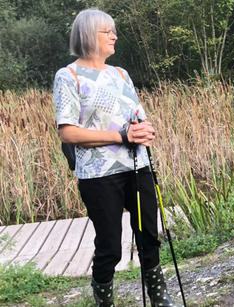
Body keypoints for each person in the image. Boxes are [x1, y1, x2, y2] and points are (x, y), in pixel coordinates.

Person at [53, 9, 182, 307]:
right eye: (107, 31)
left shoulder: (121, 74)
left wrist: (143, 129)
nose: (114, 36)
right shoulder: (69, 76)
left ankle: (159, 297)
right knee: (110, 246)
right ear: (88, 36)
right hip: (99, 175)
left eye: (113, 31)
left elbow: (137, 116)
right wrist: (122, 137)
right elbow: (68, 133)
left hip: (137, 166)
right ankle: (104, 302)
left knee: (149, 234)